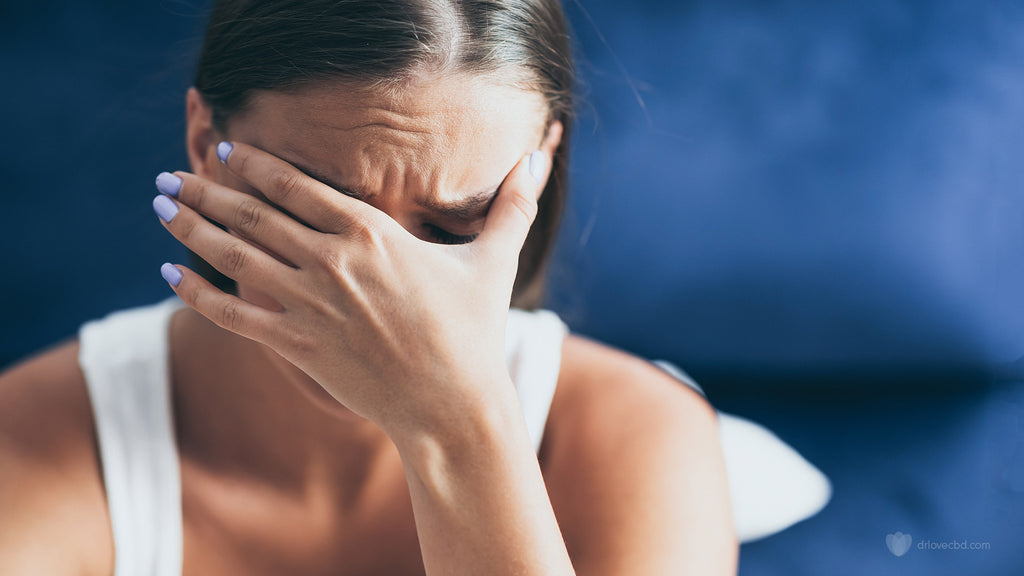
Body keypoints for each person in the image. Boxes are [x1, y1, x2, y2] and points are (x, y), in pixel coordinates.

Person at [0, 0, 738, 574]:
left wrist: (456, 425)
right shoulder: (34, 442)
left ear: (541, 167)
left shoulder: (642, 435)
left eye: (454, 226)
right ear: (206, 148)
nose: (380, 296)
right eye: (318, 216)